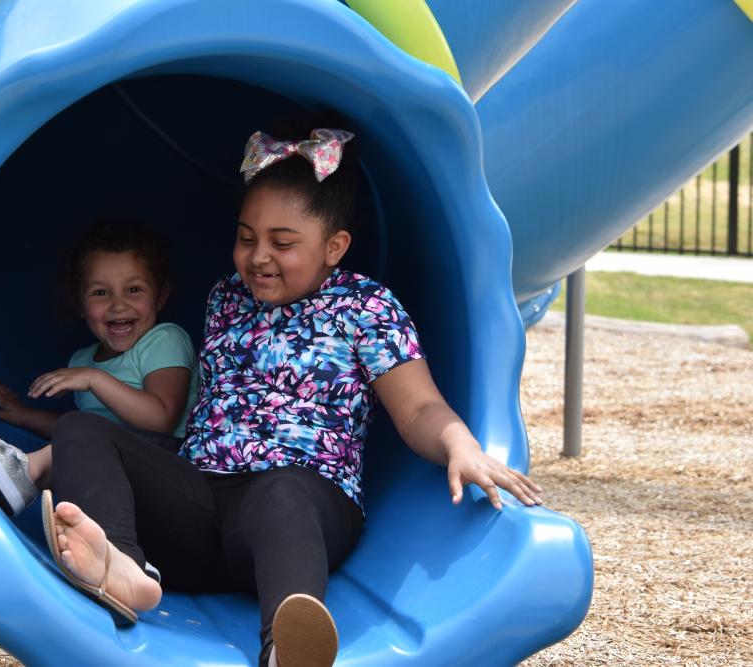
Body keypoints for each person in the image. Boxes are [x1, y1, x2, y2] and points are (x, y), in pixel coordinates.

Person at [44, 118, 545, 667]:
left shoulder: (365, 306)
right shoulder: (227, 298)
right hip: (200, 499)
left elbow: (420, 405)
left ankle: (288, 647)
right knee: (82, 429)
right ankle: (126, 568)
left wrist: (461, 446)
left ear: (335, 246)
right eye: (246, 237)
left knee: (280, 493)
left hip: (302, 503)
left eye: (282, 243)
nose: (258, 257)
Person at [0, 219, 199, 519]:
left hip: (173, 472)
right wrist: (26, 415)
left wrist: (95, 380)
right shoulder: (82, 361)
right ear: (80, 305)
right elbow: (83, 429)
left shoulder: (164, 340)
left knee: (87, 441)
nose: (119, 305)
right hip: (116, 487)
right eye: (100, 293)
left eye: (134, 289)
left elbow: (161, 418)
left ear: (160, 296)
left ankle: (27, 474)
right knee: (81, 438)